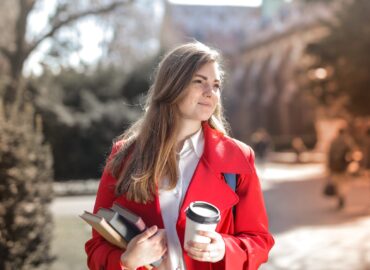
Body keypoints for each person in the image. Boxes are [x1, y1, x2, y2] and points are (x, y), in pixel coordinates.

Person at [85, 42, 274, 270]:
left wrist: (224, 248)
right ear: (172, 86)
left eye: (216, 85)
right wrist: (126, 262)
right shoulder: (124, 157)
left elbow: (259, 241)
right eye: (199, 82)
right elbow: (96, 248)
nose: (210, 92)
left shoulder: (238, 158)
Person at [327, 127, 353, 209]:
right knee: (343, 183)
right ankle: (342, 196)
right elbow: (352, 151)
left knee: (337, 183)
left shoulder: (333, 141)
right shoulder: (347, 141)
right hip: (343, 166)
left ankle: (339, 197)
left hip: (334, 167)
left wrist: (329, 167)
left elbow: (329, 155)